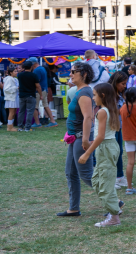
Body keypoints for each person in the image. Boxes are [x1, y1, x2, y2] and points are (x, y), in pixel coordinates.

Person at [78, 83, 124, 227]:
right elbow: (106, 134)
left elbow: (102, 136)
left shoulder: (102, 112)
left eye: (94, 95)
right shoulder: (109, 109)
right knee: (98, 181)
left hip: (106, 148)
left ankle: (114, 218)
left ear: (102, 95)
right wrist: (92, 142)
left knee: (104, 184)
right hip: (107, 146)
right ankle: (115, 206)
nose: (93, 98)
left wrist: (87, 153)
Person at [58, 62, 96, 217]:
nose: (71, 74)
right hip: (75, 138)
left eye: (74, 71)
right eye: (71, 71)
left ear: (84, 74)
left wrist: (86, 140)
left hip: (82, 138)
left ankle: (115, 201)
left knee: (86, 174)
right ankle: (73, 208)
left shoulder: (85, 92)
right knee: (71, 172)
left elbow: (88, 117)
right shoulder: (79, 91)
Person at [108, 71, 130, 190]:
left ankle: (119, 176)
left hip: (119, 127)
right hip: (111, 127)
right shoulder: (109, 95)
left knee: (119, 151)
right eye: (122, 83)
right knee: (113, 152)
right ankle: (112, 178)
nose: (124, 86)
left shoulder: (121, 95)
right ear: (115, 82)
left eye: (125, 83)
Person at [16, 60, 42, 132]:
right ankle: (27, 127)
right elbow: (38, 86)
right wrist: (41, 95)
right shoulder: (34, 75)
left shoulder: (20, 75)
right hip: (31, 95)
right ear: (31, 67)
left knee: (21, 111)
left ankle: (20, 127)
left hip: (22, 95)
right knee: (30, 112)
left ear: (24, 67)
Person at [31, 58, 55, 127]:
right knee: (46, 105)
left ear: (33, 64)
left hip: (39, 90)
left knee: (34, 107)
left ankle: (37, 123)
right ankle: (53, 121)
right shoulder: (42, 68)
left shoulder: (36, 70)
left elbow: (36, 82)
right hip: (44, 89)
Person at [4, 65, 19, 132]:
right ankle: (9, 127)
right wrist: (16, 88)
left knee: (14, 112)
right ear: (11, 72)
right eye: (15, 71)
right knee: (11, 112)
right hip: (11, 98)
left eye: (17, 71)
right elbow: (6, 89)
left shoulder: (15, 79)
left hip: (15, 97)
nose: (16, 72)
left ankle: (11, 125)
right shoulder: (9, 79)